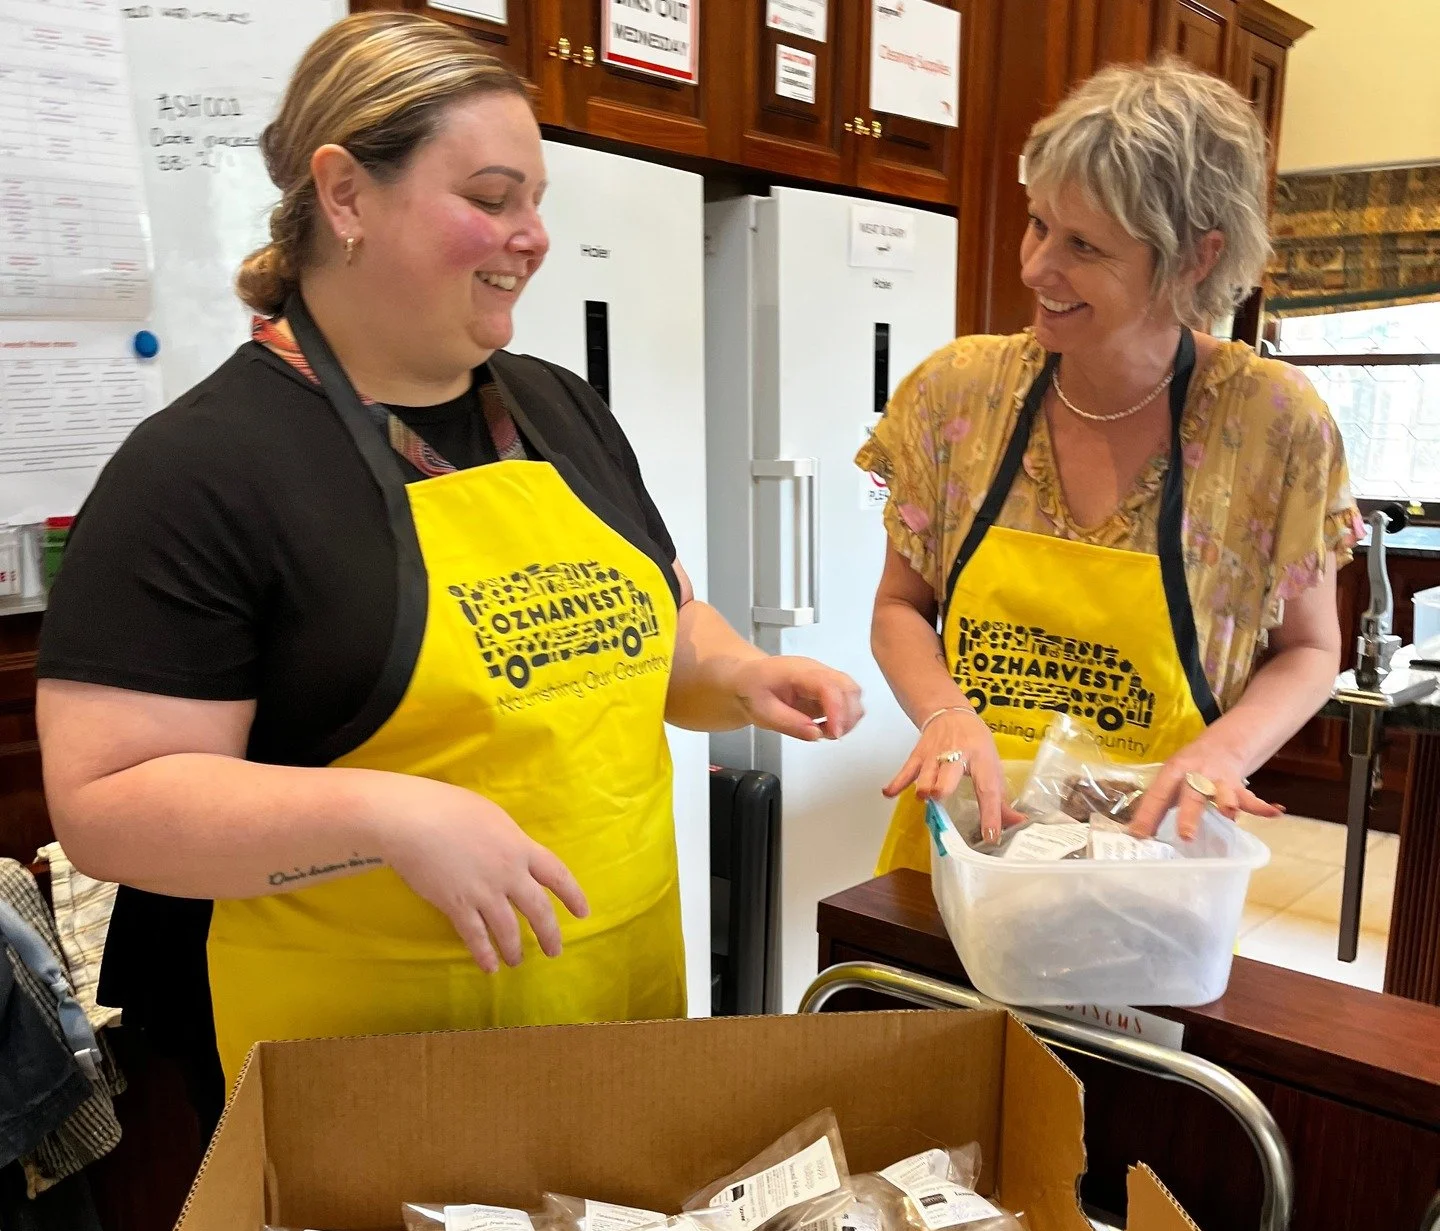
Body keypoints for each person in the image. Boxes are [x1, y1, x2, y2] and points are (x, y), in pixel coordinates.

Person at [34, 12, 862, 1102]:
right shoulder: (199, 470)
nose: (532, 235)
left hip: (619, 1016)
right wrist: (387, 815)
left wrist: (738, 673)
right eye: (490, 197)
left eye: (535, 202)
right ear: (344, 197)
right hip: (379, 1082)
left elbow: (658, 631)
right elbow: (109, 806)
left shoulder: (560, 409)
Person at [865, 57, 1362, 873]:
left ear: (1197, 258)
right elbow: (898, 606)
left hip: (1153, 868)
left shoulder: (1271, 423)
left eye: (1084, 246)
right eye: (1038, 225)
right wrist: (942, 713)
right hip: (959, 860)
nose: (1036, 268)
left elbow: (1310, 651)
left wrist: (1226, 752)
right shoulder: (960, 394)